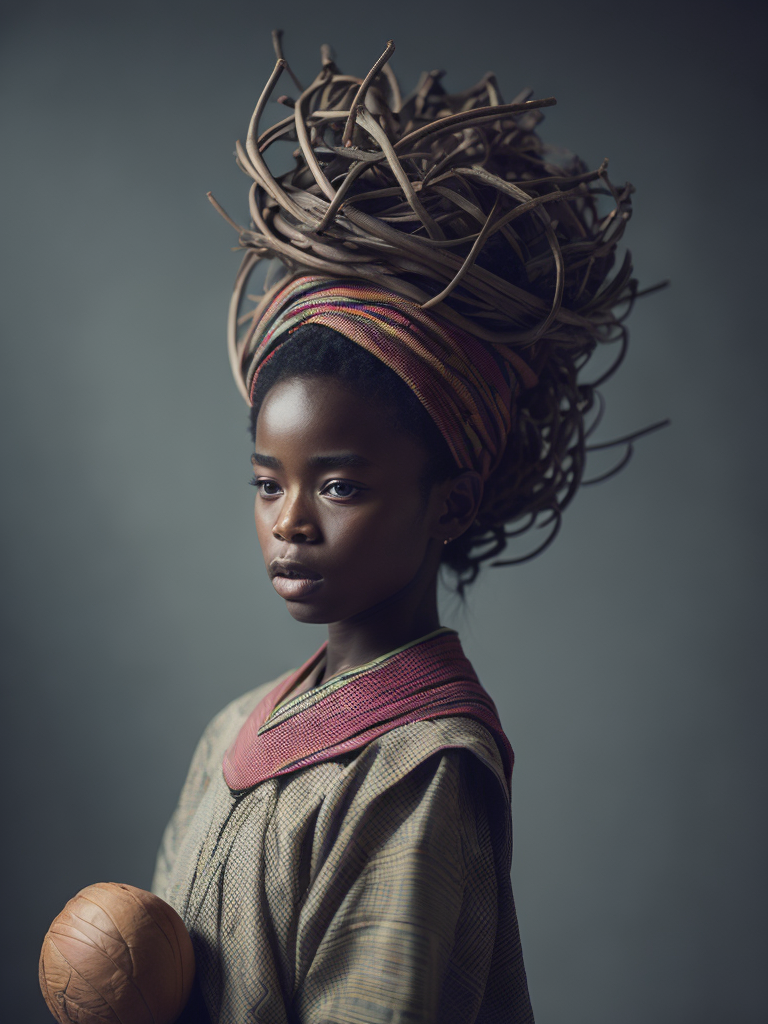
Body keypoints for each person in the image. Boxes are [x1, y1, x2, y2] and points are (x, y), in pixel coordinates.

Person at [153, 34, 661, 1024]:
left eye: (339, 487)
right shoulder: (235, 729)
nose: (290, 522)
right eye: (267, 483)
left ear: (451, 504)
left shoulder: (420, 771)